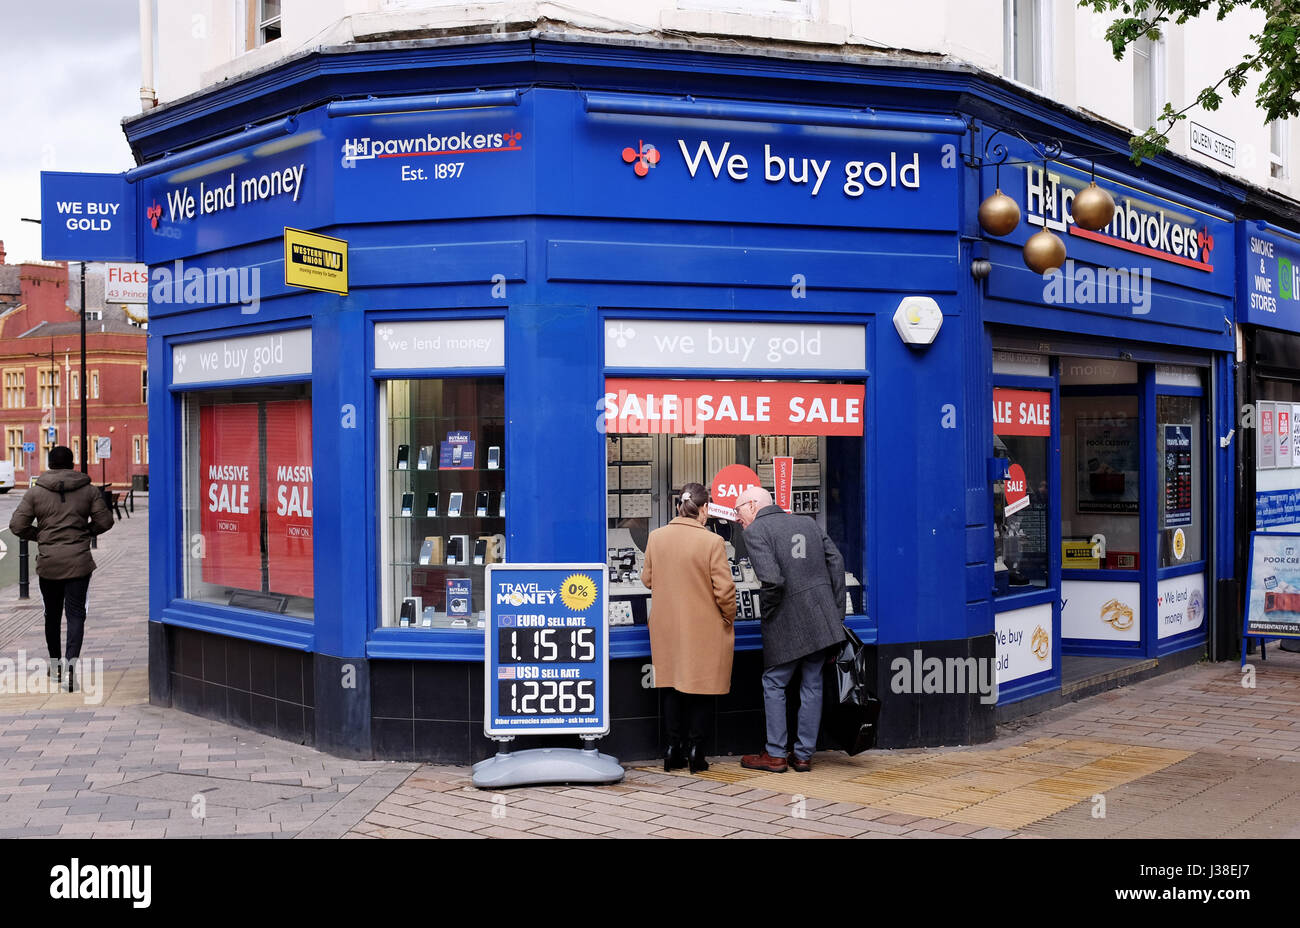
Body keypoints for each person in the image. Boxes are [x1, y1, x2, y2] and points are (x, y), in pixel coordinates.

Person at [734, 485, 845, 773]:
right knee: (812, 684)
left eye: (738, 510)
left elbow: (772, 581)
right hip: (822, 620)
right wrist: (836, 614)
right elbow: (837, 562)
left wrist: (769, 613)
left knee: (773, 683)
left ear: (752, 506)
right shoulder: (807, 522)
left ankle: (775, 754)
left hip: (786, 621)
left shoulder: (756, 531)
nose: (737, 518)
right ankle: (804, 755)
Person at [641, 482, 736, 773]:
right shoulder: (712, 542)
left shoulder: (656, 537)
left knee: (671, 685)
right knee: (702, 688)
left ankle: (672, 750)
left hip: (666, 625)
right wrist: (728, 616)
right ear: (704, 509)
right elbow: (725, 591)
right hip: (703, 625)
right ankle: (696, 751)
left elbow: (647, 579)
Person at [9, 446, 114, 692]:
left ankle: (55, 665)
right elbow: (105, 521)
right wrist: (86, 532)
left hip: (49, 563)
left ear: (50, 463)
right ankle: (71, 668)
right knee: (76, 614)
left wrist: (40, 536)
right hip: (78, 561)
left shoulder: (35, 493)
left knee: (52, 614)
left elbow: (16, 525)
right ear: (72, 463)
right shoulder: (88, 490)